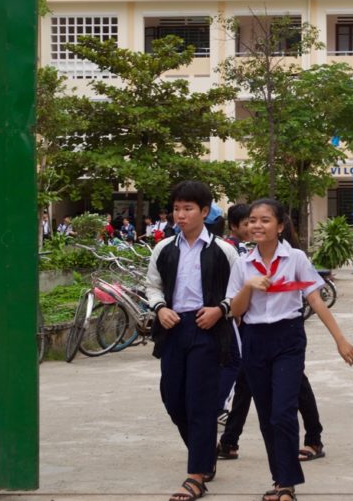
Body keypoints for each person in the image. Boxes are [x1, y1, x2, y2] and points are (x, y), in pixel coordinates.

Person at [228, 198, 353, 501]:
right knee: (266, 416)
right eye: (252, 220)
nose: (256, 225)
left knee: (282, 412)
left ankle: (286, 483)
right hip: (254, 339)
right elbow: (235, 310)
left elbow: (315, 300)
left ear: (281, 226)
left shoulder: (295, 258)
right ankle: (281, 481)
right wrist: (249, 286)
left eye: (265, 220)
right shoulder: (242, 263)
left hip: (288, 338)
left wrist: (340, 340)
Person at [145, 181, 240, 501]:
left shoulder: (224, 250)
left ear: (204, 211)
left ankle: (196, 475)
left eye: (188, 209)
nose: (180, 215)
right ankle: (206, 449)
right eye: (176, 209)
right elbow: (152, 285)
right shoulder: (164, 249)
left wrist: (220, 310)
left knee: (200, 403)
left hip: (208, 327)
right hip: (173, 328)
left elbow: (239, 291)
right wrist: (160, 308)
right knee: (172, 398)